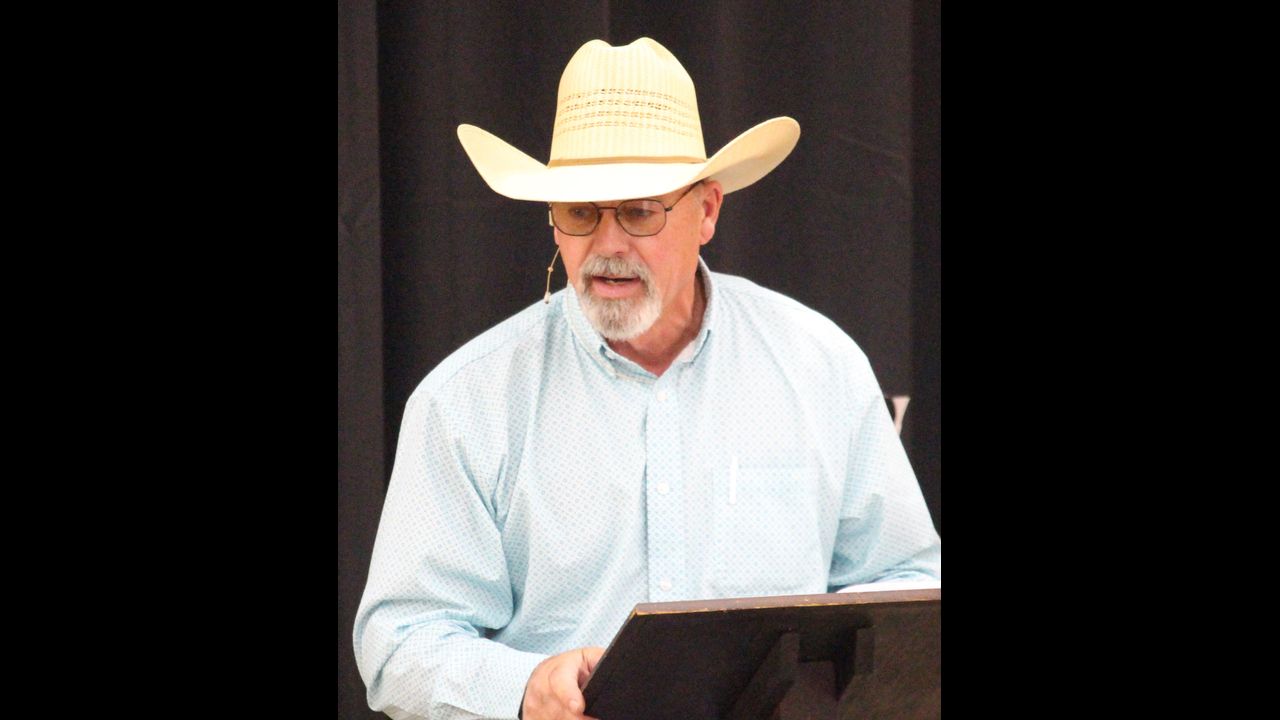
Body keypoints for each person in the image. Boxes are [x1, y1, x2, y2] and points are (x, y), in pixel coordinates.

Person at [353, 37, 940, 720]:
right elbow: (399, 645)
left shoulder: (820, 366)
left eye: (638, 211)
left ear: (708, 210)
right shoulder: (466, 402)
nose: (607, 246)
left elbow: (909, 585)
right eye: (580, 212)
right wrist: (524, 688)